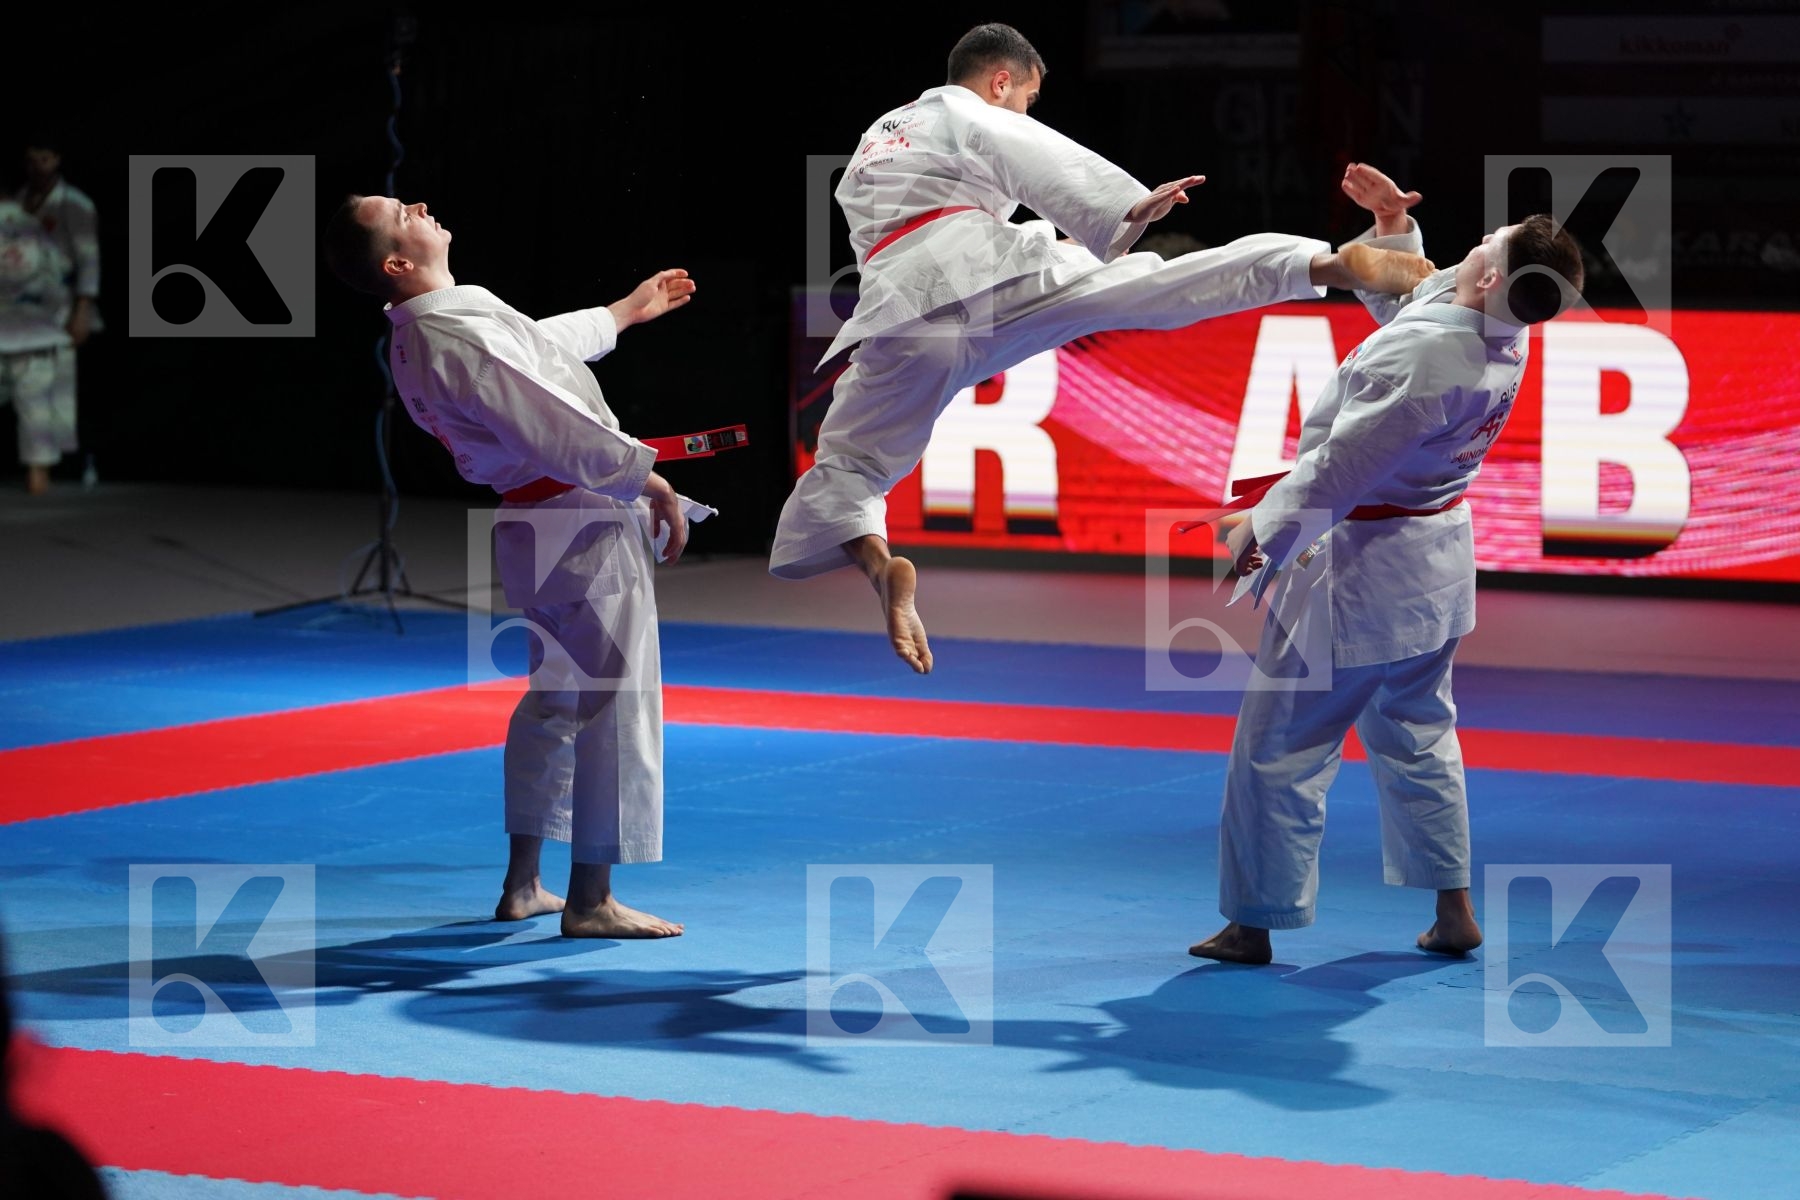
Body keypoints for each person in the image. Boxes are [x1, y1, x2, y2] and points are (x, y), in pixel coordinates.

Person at [770, 22, 1435, 673]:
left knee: (850, 461)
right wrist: (1125, 205)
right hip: (981, 274)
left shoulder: (873, 141)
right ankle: (1327, 266)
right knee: (1156, 283)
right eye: (1027, 98)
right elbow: (1017, 145)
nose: (1026, 110)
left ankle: (882, 567)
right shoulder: (965, 112)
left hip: (894, 316)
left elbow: (914, 212)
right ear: (1001, 81)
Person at [1189, 163, 1585, 965]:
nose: (1475, 242)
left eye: (1487, 242)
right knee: (1419, 733)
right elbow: (1422, 300)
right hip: (1431, 572)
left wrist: (1260, 534)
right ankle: (1454, 909)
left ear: (1493, 272)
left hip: (1359, 580)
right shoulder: (1497, 330)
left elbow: (1337, 470)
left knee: (1281, 750)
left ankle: (1253, 922)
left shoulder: (1429, 367)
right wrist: (1395, 228)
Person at [322, 193, 710, 939]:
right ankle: (590, 899)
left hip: (537, 522)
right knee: (614, 701)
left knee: (557, 698)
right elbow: (550, 416)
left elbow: (532, 350)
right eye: (401, 212)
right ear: (399, 263)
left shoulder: (430, 331)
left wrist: (619, 314)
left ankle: (523, 884)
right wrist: (649, 478)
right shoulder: (452, 335)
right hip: (578, 516)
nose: (421, 205)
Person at [11, 134, 97, 495]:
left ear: (57, 160)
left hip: (61, 303)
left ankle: (81, 461)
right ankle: (40, 467)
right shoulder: (17, 200)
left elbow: (89, 259)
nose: (37, 167)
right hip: (19, 305)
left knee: (62, 389)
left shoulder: (74, 203)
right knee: (32, 387)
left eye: (44, 159)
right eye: (32, 159)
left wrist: (83, 309)